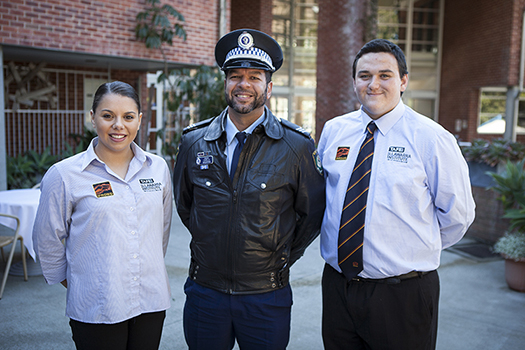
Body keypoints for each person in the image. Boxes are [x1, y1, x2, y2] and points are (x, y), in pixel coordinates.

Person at [317, 39, 476, 350]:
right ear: (354, 81)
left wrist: (410, 247)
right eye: (364, 76)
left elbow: (458, 216)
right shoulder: (334, 131)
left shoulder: (432, 138)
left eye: (385, 75)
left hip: (403, 295)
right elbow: (327, 197)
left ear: (403, 81)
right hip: (338, 287)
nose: (373, 84)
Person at [172, 28, 325, 350]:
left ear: (268, 87)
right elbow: (187, 207)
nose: (244, 84)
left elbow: (311, 215)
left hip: (266, 295)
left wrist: (277, 255)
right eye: (235, 76)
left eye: (254, 77)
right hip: (205, 292)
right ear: (225, 83)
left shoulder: (296, 145)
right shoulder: (193, 141)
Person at [33, 81, 173, 350]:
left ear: (140, 120)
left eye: (128, 117)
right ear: (92, 117)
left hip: (151, 301)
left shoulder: (158, 168)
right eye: (108, 116)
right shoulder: (64, 175)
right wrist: (82, 283)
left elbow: (161, 231)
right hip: (97, 307)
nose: (118, 125)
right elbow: (47, 240)